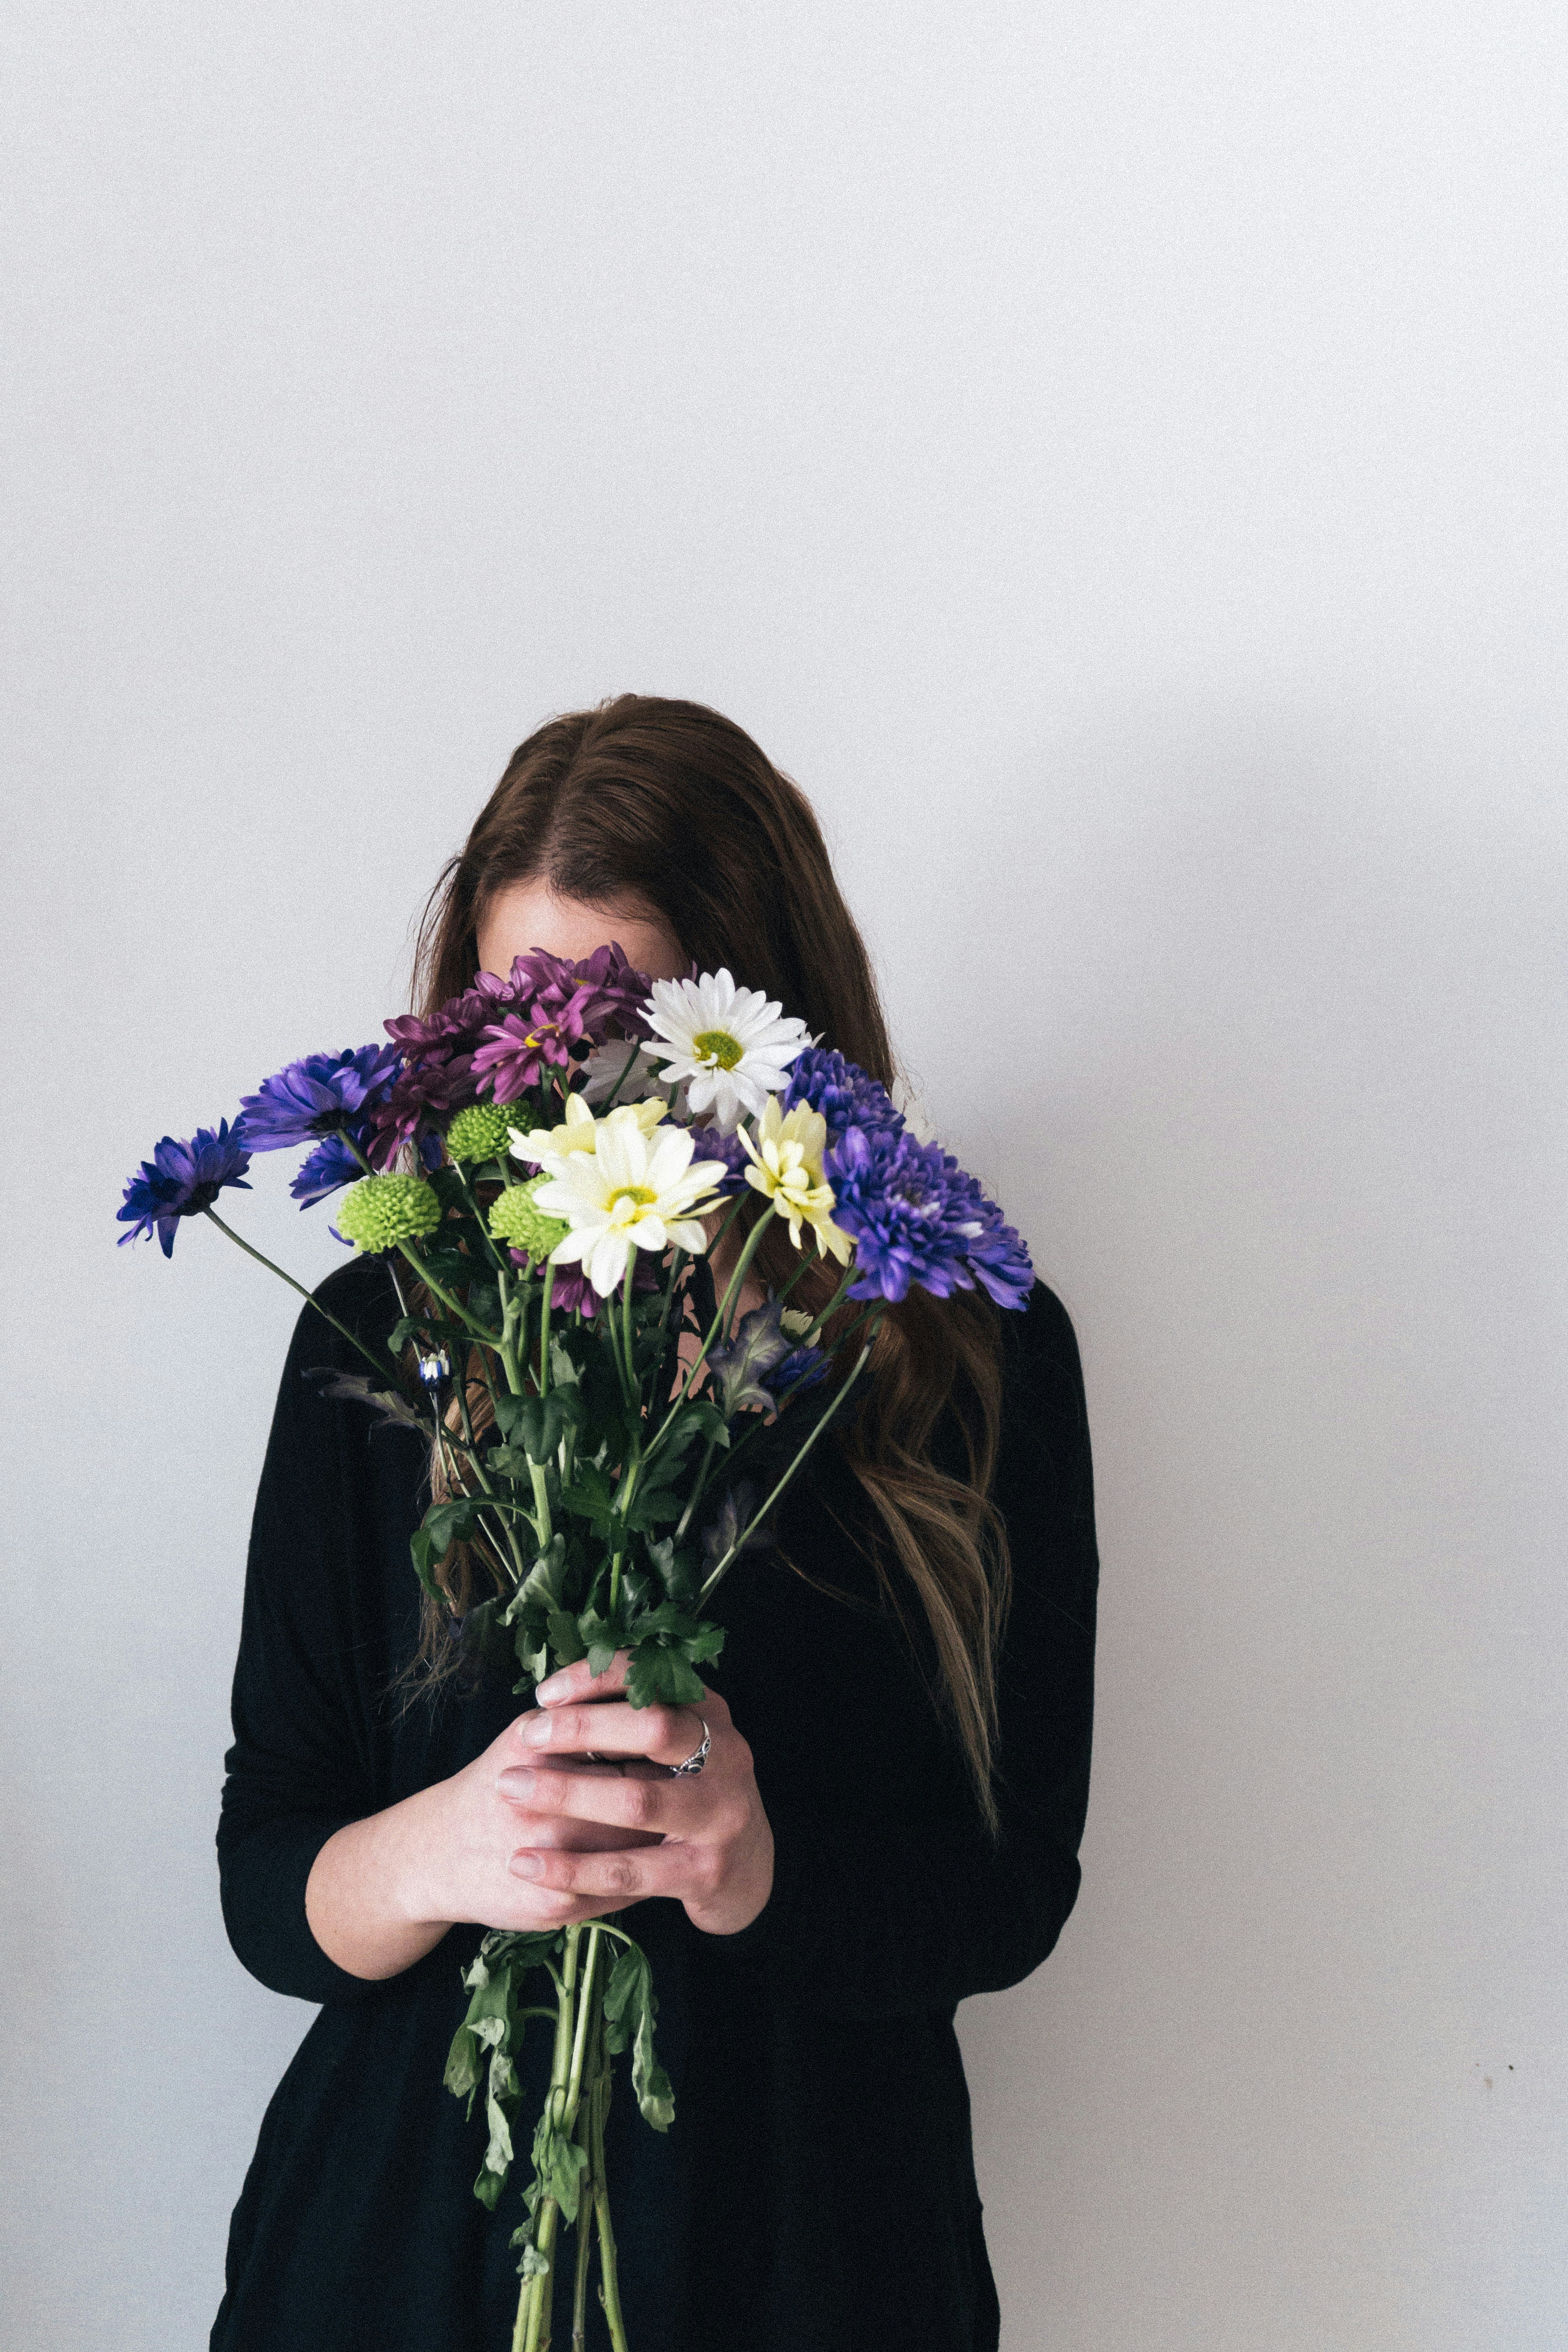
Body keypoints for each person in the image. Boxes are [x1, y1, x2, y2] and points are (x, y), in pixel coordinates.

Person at [210, 694, 1098, 2352]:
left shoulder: (966, 1358)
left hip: (820, 2263)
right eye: (518, 1034)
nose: (567, 1094)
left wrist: (760, 1872)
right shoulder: (371, 1341)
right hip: (398, 2269)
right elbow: (269, 1874)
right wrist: (445, 1847)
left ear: (760, 1032)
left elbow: (1013, 1890)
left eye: (618, 1043)